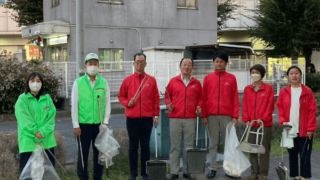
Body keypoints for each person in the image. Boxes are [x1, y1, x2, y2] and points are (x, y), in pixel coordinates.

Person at [118, 53, 160, 180]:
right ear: (133, 63)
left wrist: (156, 115)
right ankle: (133, 174)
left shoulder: (151, 80)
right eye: (137, 62)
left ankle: (145, 173)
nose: (139, 64)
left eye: (142, 62)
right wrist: (127, 103)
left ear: (145, 64)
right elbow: (121, 96)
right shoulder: (127, 80)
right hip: (132, 119)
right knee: (133, 146)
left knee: (146, 146)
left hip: (147, 119)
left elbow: (156, 99)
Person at [71, 53, 111, 180]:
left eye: (95, 63)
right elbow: (74, 105)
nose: (93, 66)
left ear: (98, 66)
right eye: (90, 63)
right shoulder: (78, 83)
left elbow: (107, 102)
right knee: (83, 153)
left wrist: (105, 122)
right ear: (85, 66)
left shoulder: (104, 83)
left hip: (99, 125)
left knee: (99, 153)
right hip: (83, 125)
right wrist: (75, 125)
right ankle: (83, 177)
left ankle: (97, 177)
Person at [201, 52, 239, 179]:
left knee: (228, 143)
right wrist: (204, 116)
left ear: (226, 63)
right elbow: (203, 98)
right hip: (211, 115)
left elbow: (235, 98)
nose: (218, 64)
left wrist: (235, 116)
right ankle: (212, 168)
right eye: (216, 61)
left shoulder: (231, 78)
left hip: (226, 116)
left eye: (221, 61)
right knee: (213, 143)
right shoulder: (208, 78)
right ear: (214, 63)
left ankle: (229, 169)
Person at [277, 66, 318, 180]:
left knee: (305, 155)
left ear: (300, 76)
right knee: (292, 155)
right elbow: (279, 108)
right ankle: (294, 176)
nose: (294, 75)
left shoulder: (307, 91)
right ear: (288, 77)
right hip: (289, 129)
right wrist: (282, 121)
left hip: (305, 130)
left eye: (296, 73)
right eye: (291, 73)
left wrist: (310, 128)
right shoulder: (284, 92)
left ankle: (304, 176)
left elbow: (312, 110)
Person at [166, 58, 203, 180]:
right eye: (184, 65)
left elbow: (200, 98)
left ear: (192, 68)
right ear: (180, 67)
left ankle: (188, 171)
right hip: (175, 118)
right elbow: (167, 97)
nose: (186, 67)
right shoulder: (173, 82)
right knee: (175, 146)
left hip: (190, 119)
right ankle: (174, 171)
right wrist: (168, 105)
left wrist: (199, 106)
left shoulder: (197, 83)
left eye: (189, 65)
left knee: (189, 147)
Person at [15, 72, 57, 173]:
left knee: (47, 173)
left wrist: (42, 132)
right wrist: (35, 133)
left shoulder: (47, 98)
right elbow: (23, 119)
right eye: (32, 80)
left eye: (38, 81)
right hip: (28, 142)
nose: (35, 83)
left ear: (42, 83)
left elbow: (51, 118)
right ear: (28, 83)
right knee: (28, 174)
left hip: (47, 141)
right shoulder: (22, 99)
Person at [242, 64, 275, 180]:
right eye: (252, 72)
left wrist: (263, 119)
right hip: (252, 125)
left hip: (264, 125)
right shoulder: (247, 89)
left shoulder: (268, 88)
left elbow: (270, 106)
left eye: (256, 72)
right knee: (252, 149)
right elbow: (245, 105)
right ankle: (254, 172)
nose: (254, 74)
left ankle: (263, 174)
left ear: (261, 74)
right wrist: (246, 120)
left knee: (264, 150)